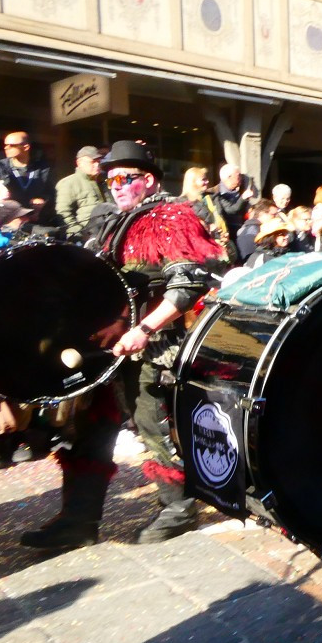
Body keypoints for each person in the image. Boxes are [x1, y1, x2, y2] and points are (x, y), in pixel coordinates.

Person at [83, 140, 223, 545]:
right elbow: (129, 286)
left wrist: (143, 330)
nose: (116, 186)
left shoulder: (169, 217)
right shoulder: (118, 221)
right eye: (110, 180)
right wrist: (119, 323)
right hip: (125, 340)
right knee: (110, 423)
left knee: (153, 422)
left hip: (164, 342)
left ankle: (179, 509)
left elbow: (185, 285)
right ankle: (79, 518)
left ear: (147, 180)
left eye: (124, 178)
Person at [0, 131, 55, 224]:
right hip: (7, 220)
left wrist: (43, 200)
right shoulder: (0, 166)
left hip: (34, 219)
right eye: (5, 145)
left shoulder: (41, 168)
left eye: (11, 145)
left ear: (26, 147)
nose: (6, 148)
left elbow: (50, 192)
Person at [54, 146, 107, 238]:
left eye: (99, 161)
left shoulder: (104, 181)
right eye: (93, 162)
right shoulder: (69, 183)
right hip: (87, 235)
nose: (97, 165)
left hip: (108, 231)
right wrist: (79, 234)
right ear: (79, 163)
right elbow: (63, 212)